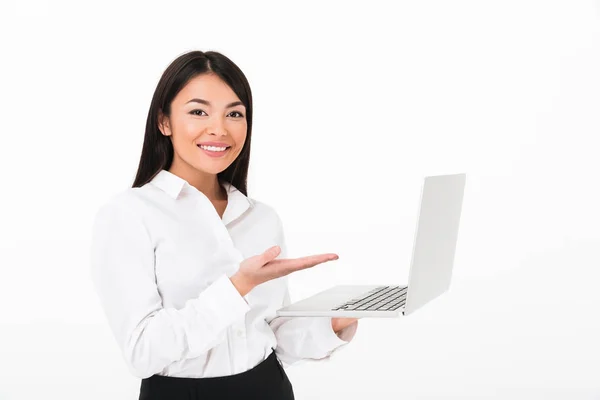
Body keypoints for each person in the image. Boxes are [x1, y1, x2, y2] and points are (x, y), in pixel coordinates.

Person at [89, 50, 359, 400]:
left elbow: (269, 337)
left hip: (269, 389)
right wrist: (237, 286)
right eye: (198, 111)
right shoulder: (129, 215)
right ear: (164, 122)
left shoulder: (261, 217)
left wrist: (334, 322)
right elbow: (143, 352)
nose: (219, 129)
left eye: (234, 114)